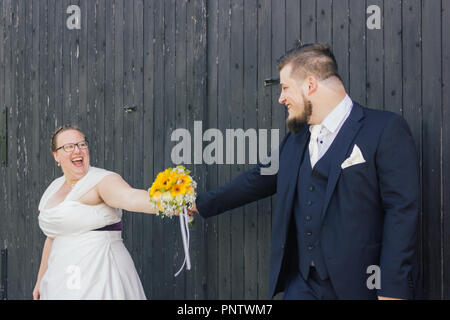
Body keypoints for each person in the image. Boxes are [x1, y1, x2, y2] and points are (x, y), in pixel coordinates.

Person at [190, 43, 422, 300]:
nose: (281, 98)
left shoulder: (384, 129)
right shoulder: (296, 139)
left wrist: (392, 291)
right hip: (302, 285)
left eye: (285, 87)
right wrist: (199, 204)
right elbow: (257, 179)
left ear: (310, 85)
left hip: (361, 287)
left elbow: (401, 213)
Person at [33, 125, 159, 300]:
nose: (77, 150)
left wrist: (174, 203)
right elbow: (52, 236)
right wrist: (40, 279)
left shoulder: (102, 180)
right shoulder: (53, 188)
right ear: (56, 156)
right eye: (69, 147)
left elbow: (131, 198)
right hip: (61, 279)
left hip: (100, 274)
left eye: (82, 144)